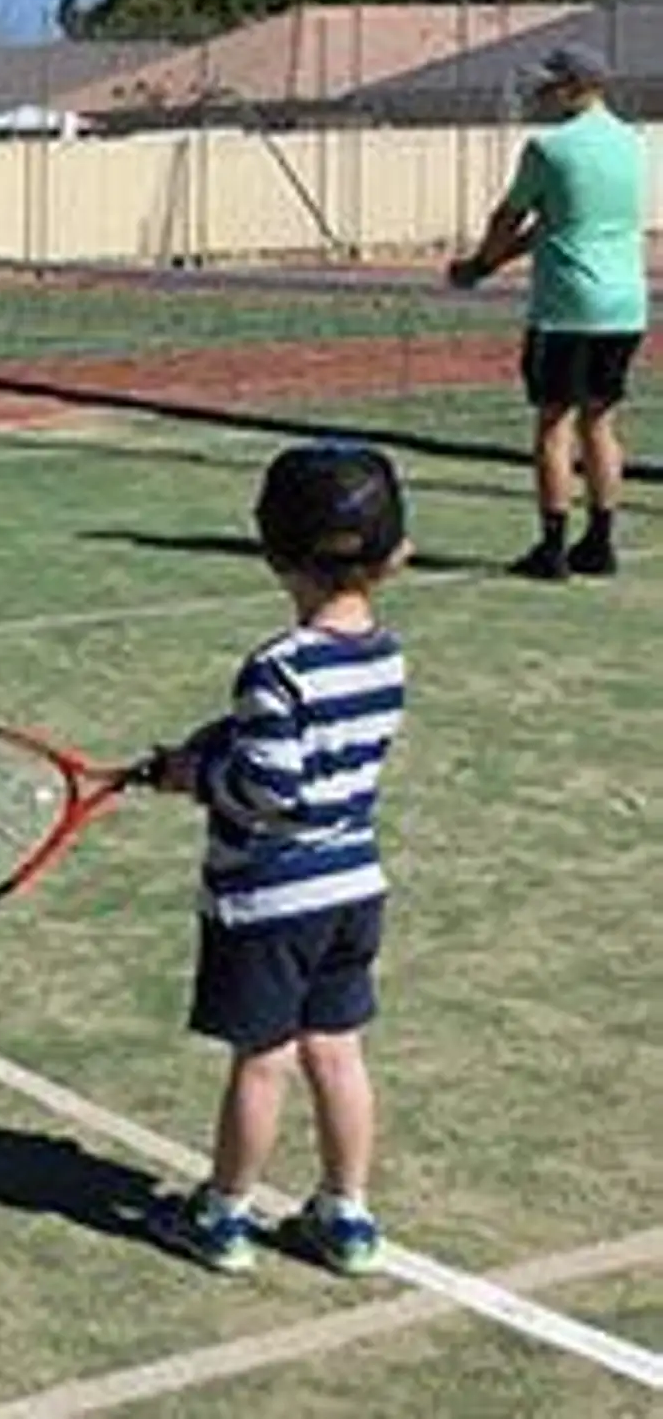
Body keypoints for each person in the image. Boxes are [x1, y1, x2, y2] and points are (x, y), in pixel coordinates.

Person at [150, 442, 409, 1278]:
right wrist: (215, 746)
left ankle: (223, 1214)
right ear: (395, 554)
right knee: (337, 1049)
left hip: (270, 900)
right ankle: (346, 1213)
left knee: (263, 1060)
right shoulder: (386, 656)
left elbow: (269, 787)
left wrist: (195, 776)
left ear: (271, 552)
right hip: (354, 891)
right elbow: (314, 751)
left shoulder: (275, 667)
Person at [448, 42, 647, 579]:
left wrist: (478, 265)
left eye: (550, 84)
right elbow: (554, 225)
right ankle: (600, 543)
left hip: (567, 307)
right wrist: (490, 264)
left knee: (553, 424)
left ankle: (552, 549)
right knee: (600, 420)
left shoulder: (547, 148)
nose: (541, 92)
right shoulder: (632, 143)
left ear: (576, 87)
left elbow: (509, 218)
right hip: (625, 306)